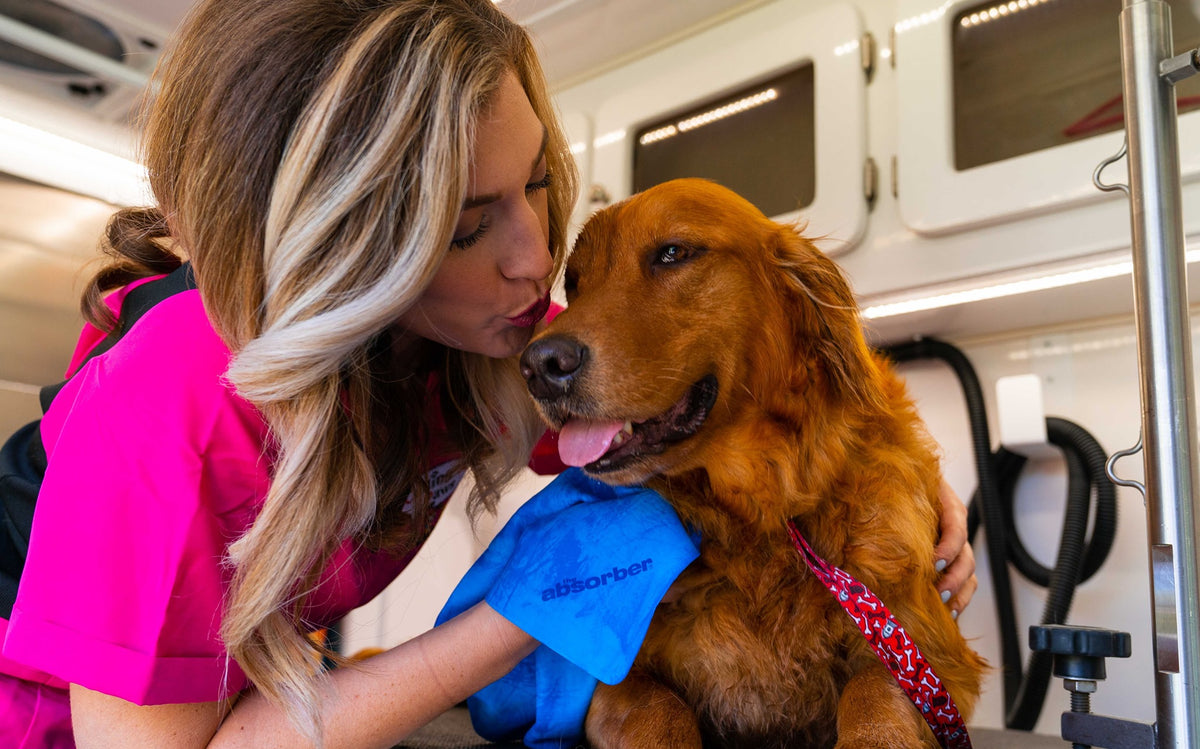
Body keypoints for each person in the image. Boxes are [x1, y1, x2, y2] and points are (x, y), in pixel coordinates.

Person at [0, 0, 977, 747]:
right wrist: (517, 615)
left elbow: (716, 413)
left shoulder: (476, 336)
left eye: (540, 184)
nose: (532, 255)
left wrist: (911, 484)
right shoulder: (176, 404)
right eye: (467, 224)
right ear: (345, 249)